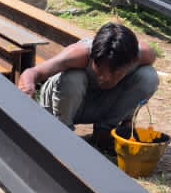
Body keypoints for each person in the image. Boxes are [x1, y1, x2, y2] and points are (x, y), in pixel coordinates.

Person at [16, 22, 158, 150]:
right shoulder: (78, 54)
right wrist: (27, 89)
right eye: (100, 69)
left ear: (131, 62)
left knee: (148, 77)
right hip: (63, 103)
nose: (105, 78)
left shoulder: (142, 55)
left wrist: (128, 121)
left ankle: (105, 132)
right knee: (73, 77)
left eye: (115, 72)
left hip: (102, 103)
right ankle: (62, 135)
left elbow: (138, 86)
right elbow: (32, 73)